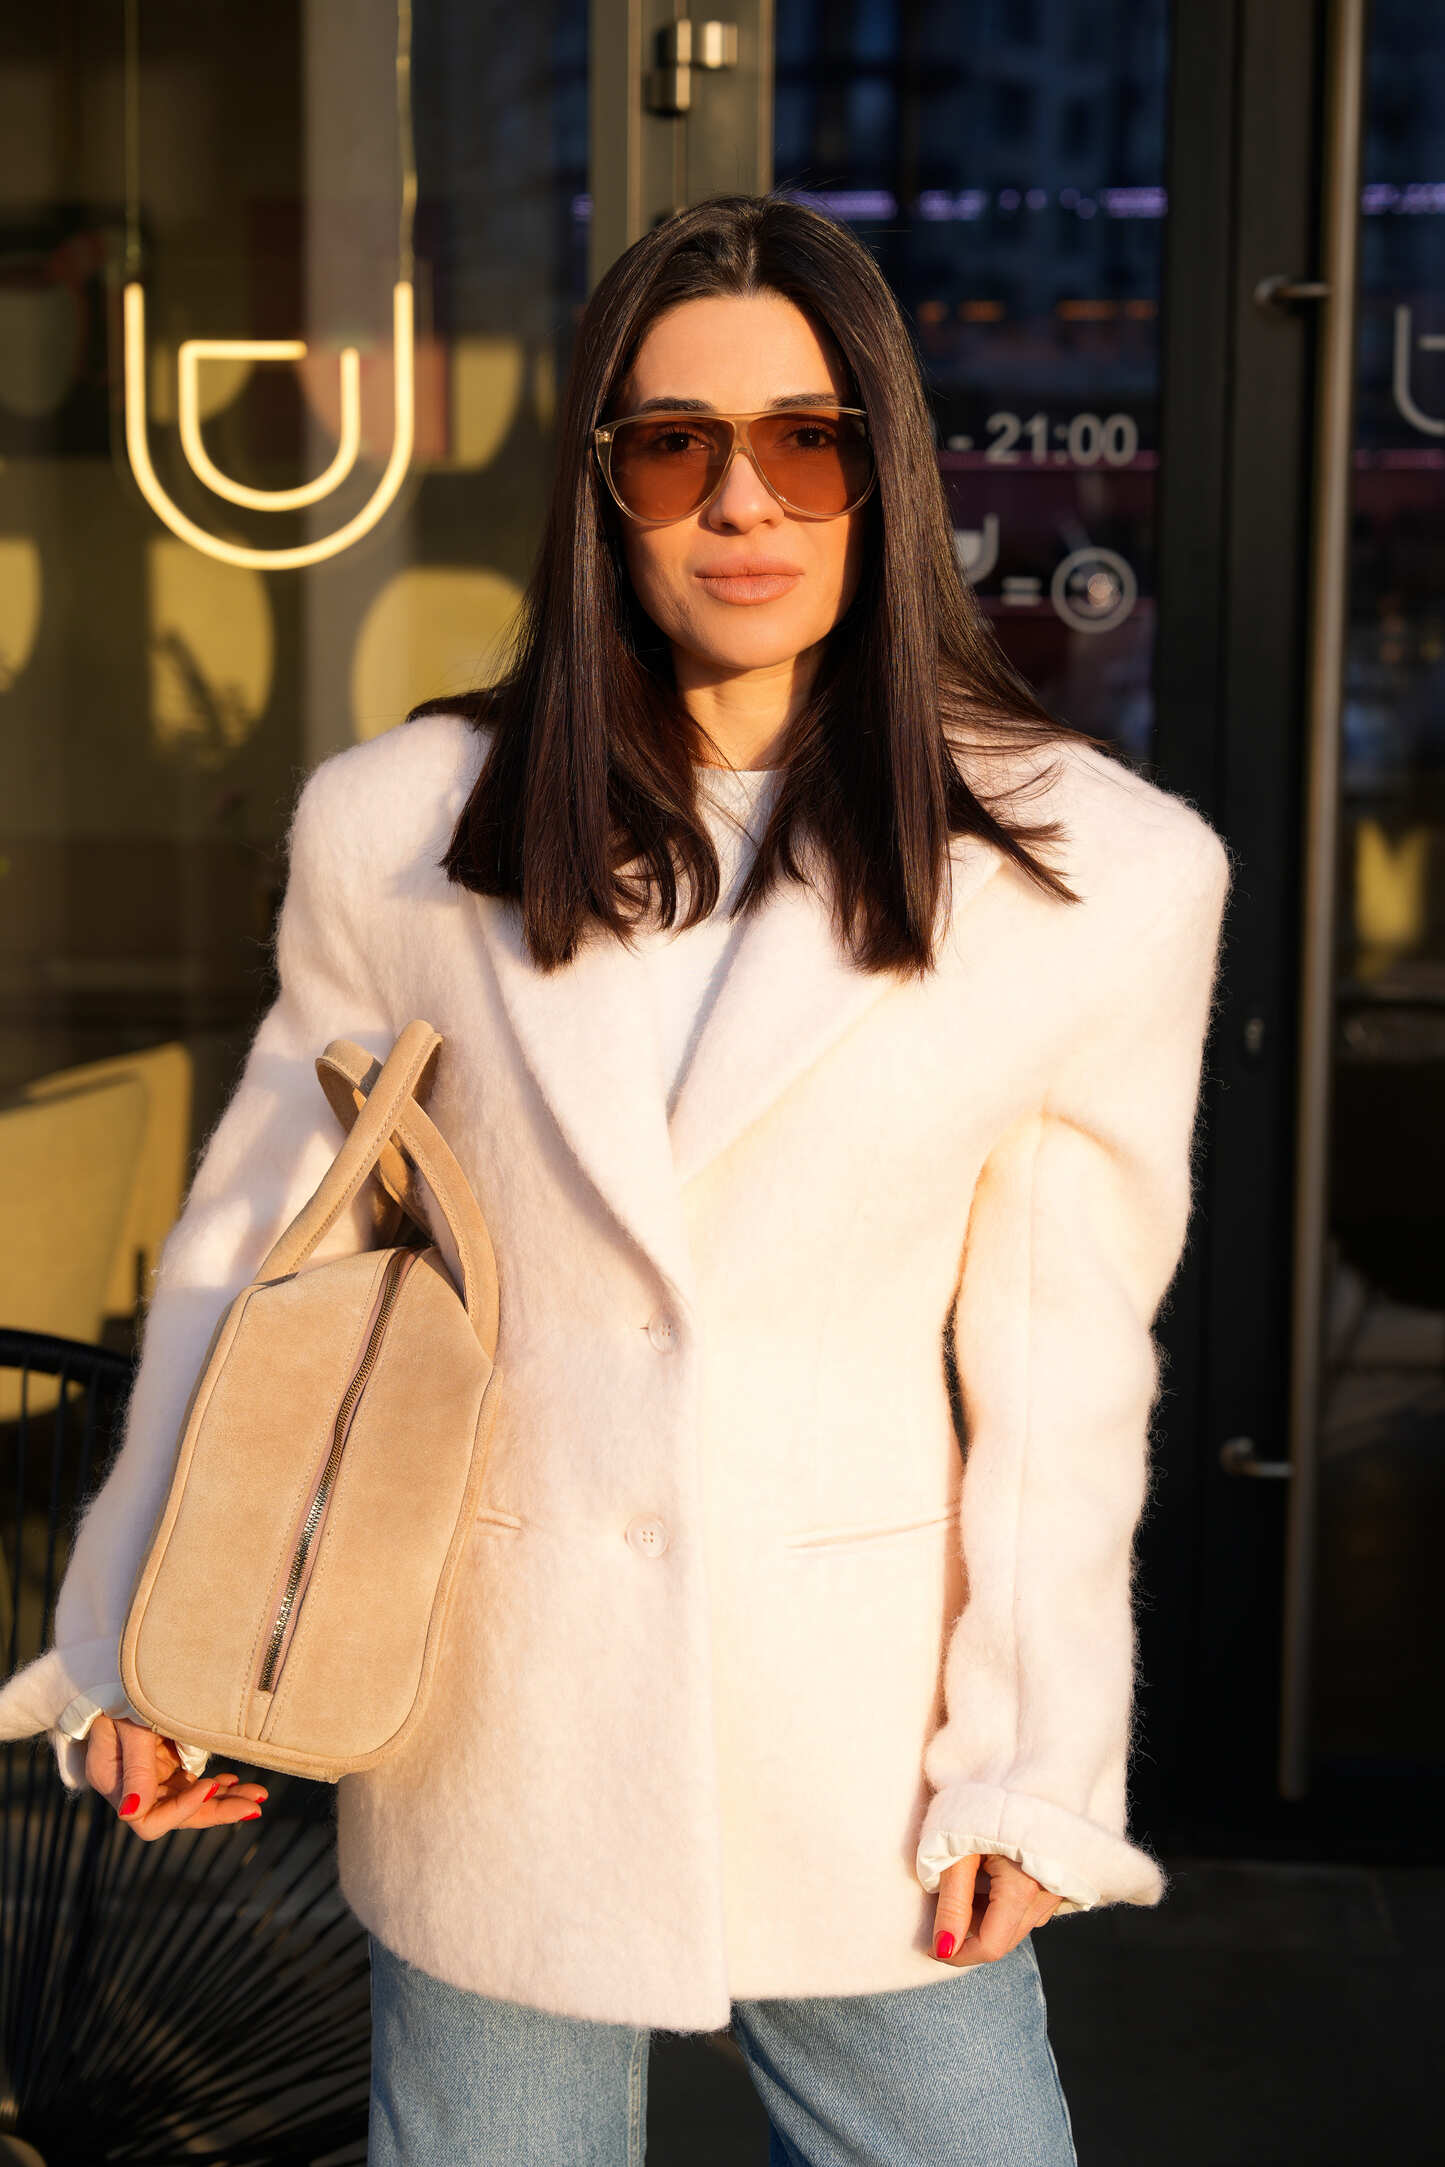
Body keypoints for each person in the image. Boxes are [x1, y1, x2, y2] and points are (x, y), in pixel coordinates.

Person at [0, 193, 1232, 2165]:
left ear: (886, 472)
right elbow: (260, 1253)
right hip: (491, 1704)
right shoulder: (403, 832)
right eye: (675, 446)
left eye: (806, 442)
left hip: (860, 1733)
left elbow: (1061, 1372)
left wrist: (1031, 1760)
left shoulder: (1091, 877)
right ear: (602, 485)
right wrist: (142, 1635)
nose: (743, 503)